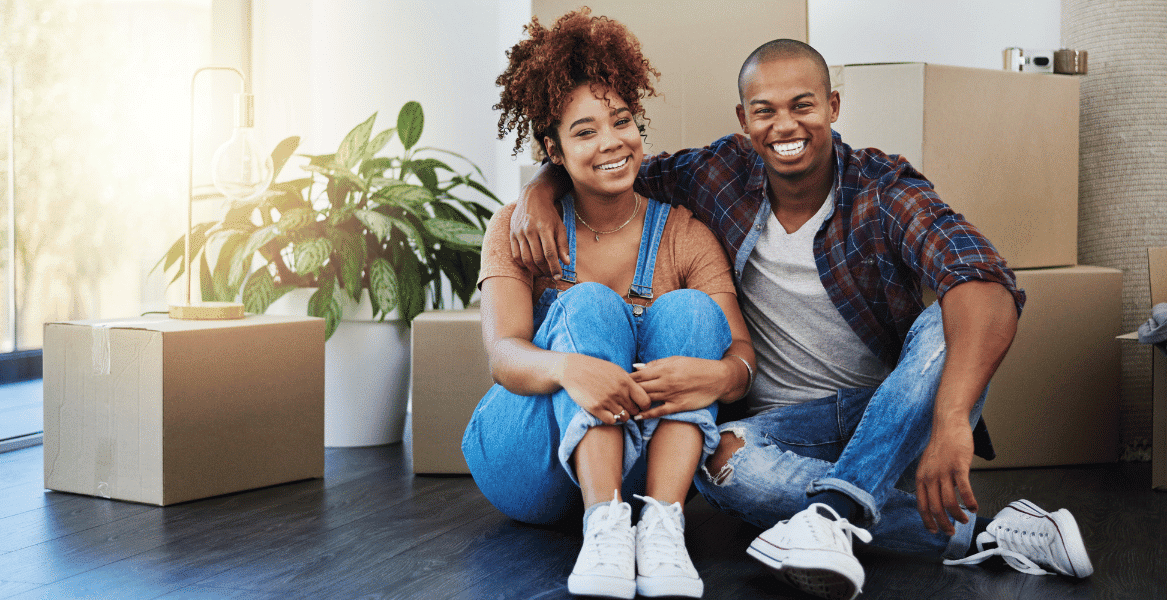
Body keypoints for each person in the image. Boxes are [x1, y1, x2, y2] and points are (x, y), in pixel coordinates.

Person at [510, 38, 1093, 600]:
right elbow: (610, 162)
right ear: (744, 118)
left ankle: (831, 515)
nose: (783, 126)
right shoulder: (719, 174)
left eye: (803, 106)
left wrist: (951, 419)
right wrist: (538, 187)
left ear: (832, 107)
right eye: (764, 111)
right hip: (781, 430)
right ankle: (985, 532)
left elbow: (985, 280)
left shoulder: (883, 189)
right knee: (720, 465)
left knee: (950, 316)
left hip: (893, 414)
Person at [460, 10, 755, 600]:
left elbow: (740, 348)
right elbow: (502, 355)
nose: (611, 143)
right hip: (530, 462)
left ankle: (662, 527)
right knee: (590, 303)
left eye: (621, 122)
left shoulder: (684, 234)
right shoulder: (518, 228)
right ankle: (603, 525)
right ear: (554, 149)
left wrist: (722, 374)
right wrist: (568, 368)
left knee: (694, 314)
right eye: (585, 131)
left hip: (648, 467)